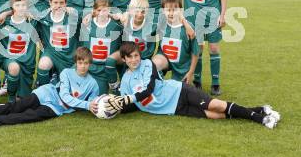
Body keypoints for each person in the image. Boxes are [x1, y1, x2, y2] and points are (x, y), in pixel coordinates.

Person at [105, 42, 281, 129]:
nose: (134, 60)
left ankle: (260, 119)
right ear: (124, 59)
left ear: (139, 55)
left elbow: (148, 90)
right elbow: (133, 105)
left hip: (179, 91)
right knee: (214, 115)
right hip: (172, 109)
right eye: (130, 57)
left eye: (136, 55)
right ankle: (260, 109)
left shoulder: (147, 64)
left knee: (216, 105)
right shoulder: (126, 80)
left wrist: (126, 98)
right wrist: (114, 105)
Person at [0, 47, 99, 130]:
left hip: (55, 109)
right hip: (46, 94)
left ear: (90, 64)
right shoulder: (66, 73)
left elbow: (93, 104)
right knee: (15, 106)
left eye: (86, 63)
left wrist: (97, 107)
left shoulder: (93, 84)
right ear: (76, 62)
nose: (83, 66)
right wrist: (87, 105)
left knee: (26, 116)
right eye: (80, 63)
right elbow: (65, 97)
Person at [183, 0, 228, 95]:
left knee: (214, 48)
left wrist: (222, 15)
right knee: (198, 48)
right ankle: (197, 80)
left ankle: (216, 83)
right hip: (194, 18)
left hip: (212, 15)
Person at [0, 0, 39, 101]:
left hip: (27, 66)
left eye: (23, 5)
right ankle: (11, 99)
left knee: (23, 99)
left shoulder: (32, 22)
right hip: (10, 62)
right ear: (12, 6)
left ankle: (11, 84)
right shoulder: (4, 22)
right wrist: (6, 13)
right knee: (14, 67)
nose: (21, 8)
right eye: (17, 5)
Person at [34, 0, 80, 87]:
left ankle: (56, 79)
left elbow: (91, 16)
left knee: (65, 86)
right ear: (50, 3)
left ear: (66, 3)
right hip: (52, 54)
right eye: (55, 2)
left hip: (69, 56)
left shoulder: (73, 16)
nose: (58, 6)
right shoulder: (43, 17)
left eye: (61, 3)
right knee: (43, 64)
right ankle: (44, 90)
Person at [152, 0, 200, 83]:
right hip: (164, 59)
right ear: (163, 11)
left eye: (174, 10)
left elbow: (195, 53)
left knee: (179, 92)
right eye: (168, 10)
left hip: (182, 66)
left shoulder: (189, 29)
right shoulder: (161, 23)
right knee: (154, 65)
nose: (171, 13)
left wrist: (191, 72)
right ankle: (160, 85)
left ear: (181, 11)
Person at [79, 0, 122, 94]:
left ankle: (114, 85)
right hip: (88, 66)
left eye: (105, 10)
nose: (102, 13)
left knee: (99, 94)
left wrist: (119, 17)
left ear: (109, 10)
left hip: (104, 69)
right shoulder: (87, 23)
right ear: (94, 11)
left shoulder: (115, 26)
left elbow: (127, 21)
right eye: (99, 10)